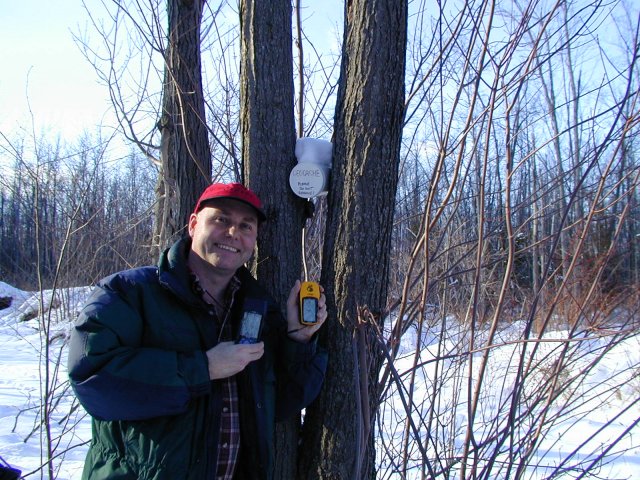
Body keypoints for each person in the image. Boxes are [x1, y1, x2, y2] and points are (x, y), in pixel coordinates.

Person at [68, 182, 328, 480]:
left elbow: (279, 404)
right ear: (193, 224)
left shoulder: (258, 309)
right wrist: (202, 368)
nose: (233, 233)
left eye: (246, 226)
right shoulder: (130, 293)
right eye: (222, 220)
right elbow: (93, 380)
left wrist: (299, 338)